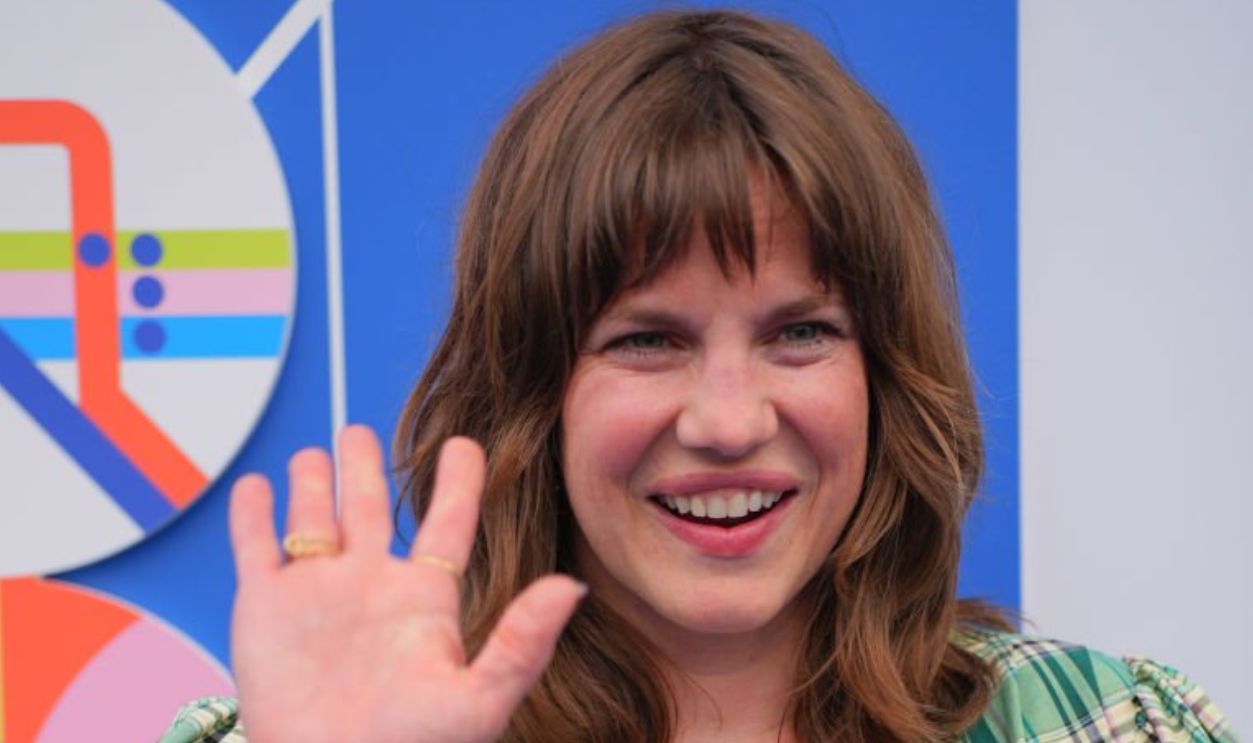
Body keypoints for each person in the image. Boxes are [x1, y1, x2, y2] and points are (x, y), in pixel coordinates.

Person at [161, 9, 1237, 743]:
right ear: (531, 391)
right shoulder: (308, 729)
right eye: (646, 339)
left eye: (800, 332)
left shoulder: (1098, 722)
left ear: (886, 377)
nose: (728, 420)